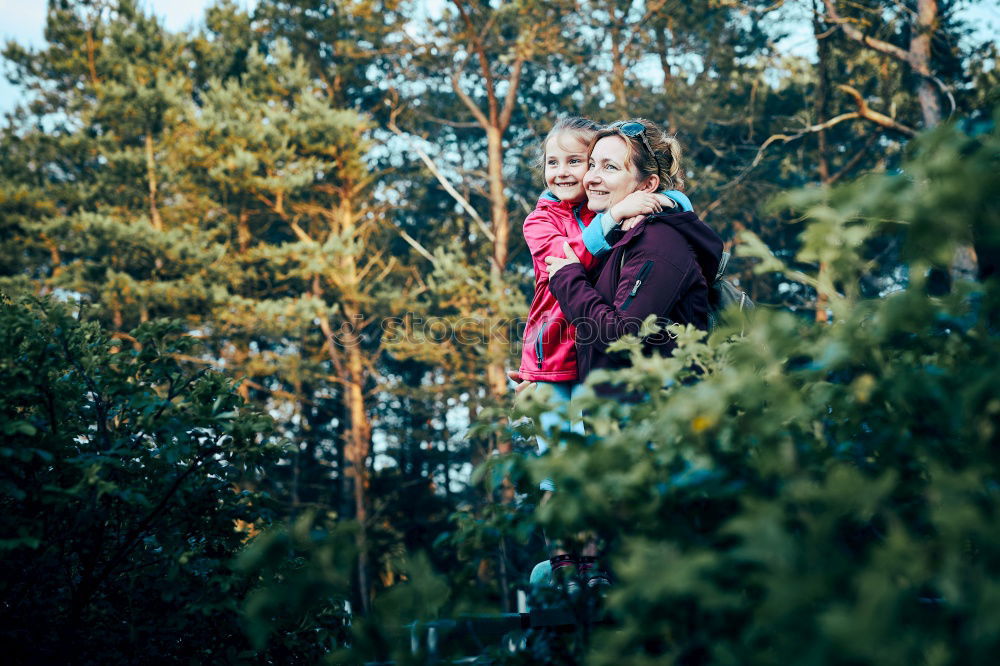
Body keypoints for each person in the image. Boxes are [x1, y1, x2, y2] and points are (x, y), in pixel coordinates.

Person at [538, 118, 724, 587]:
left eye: (609, 167)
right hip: (623, 445)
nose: (591, 177)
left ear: (647, 184)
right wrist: (543, 375)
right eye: (592, 165)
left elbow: (621, 333)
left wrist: (566, 278)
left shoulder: (659, 243)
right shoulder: (619, 240)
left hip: (657, 447)